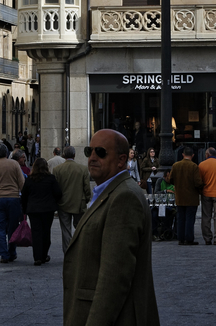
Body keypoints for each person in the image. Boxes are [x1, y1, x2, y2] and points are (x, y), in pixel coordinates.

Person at [62, 129, 158, 326]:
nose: (92, 157)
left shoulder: (124, 197)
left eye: (101, 152)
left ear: (121, 160)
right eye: (89, 151)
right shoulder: (109, 192)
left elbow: (114, 278)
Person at [0, 143, 25, 263]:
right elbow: (22, 182)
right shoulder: (14, 164)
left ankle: (3, 254)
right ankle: (12, 252)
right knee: (13, 227)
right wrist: (22, 197)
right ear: (7, 153)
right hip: (13, 198)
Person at [21, 158, 62, 265]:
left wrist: (24, 209)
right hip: (47, 209)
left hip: (33, 210)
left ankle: (37, 257)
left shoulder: (30, 179)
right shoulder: (51, 179)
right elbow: (58, 193)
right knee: (46, 232)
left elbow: (24, 195)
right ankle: (44, 255)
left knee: (36, 233)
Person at [53, 145, 89, 252]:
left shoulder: (57, 169)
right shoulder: (83, 169)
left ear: (64, 155)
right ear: (74, 155)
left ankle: (68, 252)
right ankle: (80, 250)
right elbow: (87, 187)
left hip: (63, 203)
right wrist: (87, 198)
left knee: (66, 230)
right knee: (80, 228)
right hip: (79, 203)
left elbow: (55, 188)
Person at [165, 146, 202, 245]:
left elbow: (170, 179)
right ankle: (189, 238)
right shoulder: (194, 166)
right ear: (192, 155)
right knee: (190, 218)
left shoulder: (176, 165)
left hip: (180, 196)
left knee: (180, 218)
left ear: (182, 154)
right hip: (191, 198)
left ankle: (180, 238)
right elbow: (198, 182)